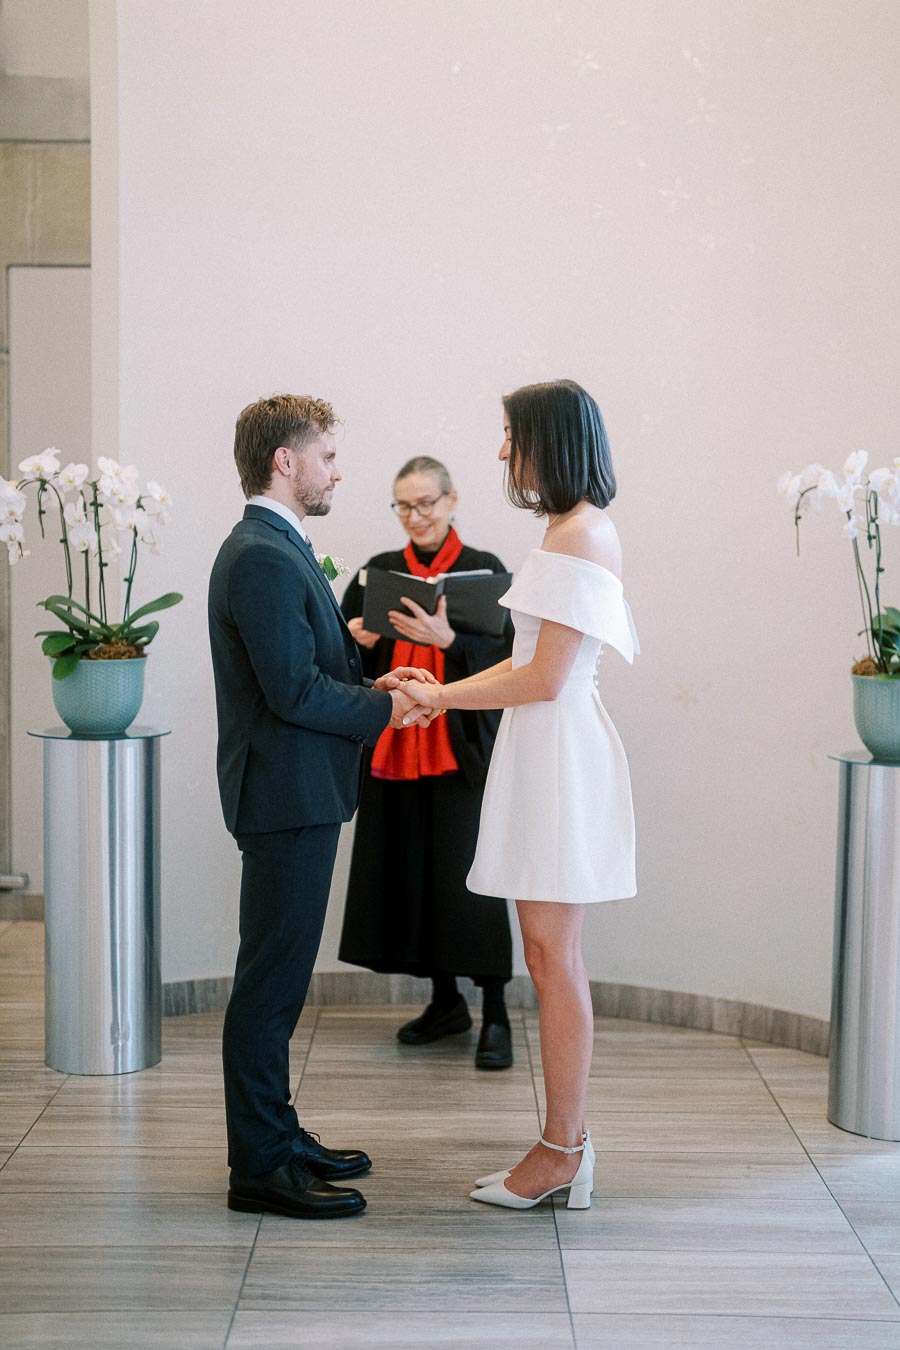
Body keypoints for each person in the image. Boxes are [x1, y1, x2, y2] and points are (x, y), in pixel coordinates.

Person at [402, 379, 638, 1211]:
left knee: (554, 960)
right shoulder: (565, 531)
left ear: (550, 439)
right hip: (544, 750)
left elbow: (543, 677)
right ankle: (560, 1148)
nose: (503, 450)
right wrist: (439, 691)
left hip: (561, 756)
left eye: (512, 434)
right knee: (545, 956)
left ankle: (563, 1151)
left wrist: (440, 695)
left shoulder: (580, 535)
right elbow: (525, 664)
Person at [208, 394, 435, 1221]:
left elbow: (307, 668)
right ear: (285, 461)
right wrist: (386, 710)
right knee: (269, 986)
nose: (338, 469)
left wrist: (374, 684)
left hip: (298, 790)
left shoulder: (275, 546)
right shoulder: (262, 555)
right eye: (328, 455)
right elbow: (293, 691)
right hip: (283, 795)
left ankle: (279, 1135)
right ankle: (259, 1168)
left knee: (281, 980)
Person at [338, 456, 516, 1069]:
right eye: (404, 506)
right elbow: (338, 661)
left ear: (452, 499)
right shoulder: (377, 572)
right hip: (395, 748)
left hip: (460, 748)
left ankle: (496, 1012)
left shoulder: (485, 571)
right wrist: (355, 642)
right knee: (417, 879)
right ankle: (446, 1005)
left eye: (427, 504)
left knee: (474, 883)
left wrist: (453, 644)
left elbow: (515, 655)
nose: (416, 517)